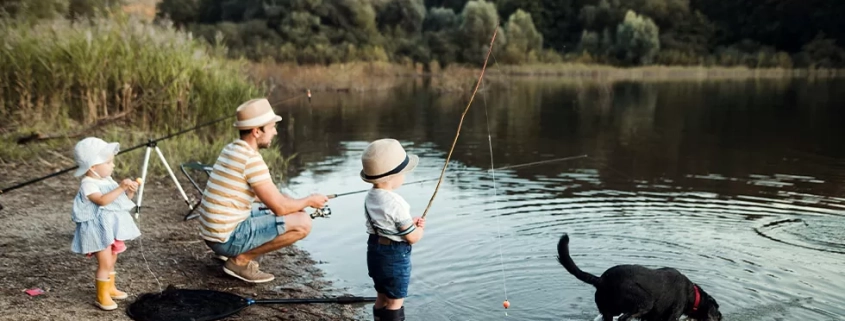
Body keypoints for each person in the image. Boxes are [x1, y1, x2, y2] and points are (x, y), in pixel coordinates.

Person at [197, 98, 328, 283]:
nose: (275, 132)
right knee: (303, 222)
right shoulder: (251, 160)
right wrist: (309, 200)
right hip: (225, 239)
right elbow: (280, 208)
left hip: (214, 234)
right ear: (257, 131)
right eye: (272, 127)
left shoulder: (232, 149)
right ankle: (240, 261)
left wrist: (288, 201)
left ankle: (232, 254)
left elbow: (248, 193)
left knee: (290, 207)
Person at [70, 137, 142, 311]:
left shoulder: (107, 180)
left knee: (112, 258)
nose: (113, 165)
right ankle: (101, 296)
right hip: (98, 230)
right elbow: (102, 201)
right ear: (93, 167)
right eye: (108, 162)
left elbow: (118, 202)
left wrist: (129, 192)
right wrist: (120, 187)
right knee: (104, 263)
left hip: (111, 228)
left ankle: (110, 287)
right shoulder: (88, 184)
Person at [360, 138, 426, 321]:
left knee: (381, 296)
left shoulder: (370, 196)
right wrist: (419, 229)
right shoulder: (396, 203)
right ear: (393, 176)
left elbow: (385, 223)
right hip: (394, 255)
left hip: (374, 251)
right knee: (395, 300)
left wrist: (408, 223)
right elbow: (412, 237)